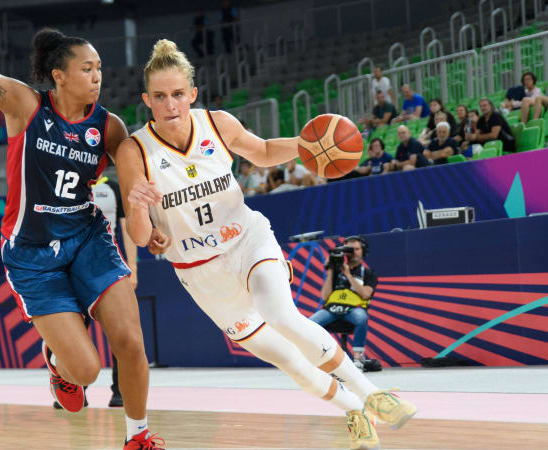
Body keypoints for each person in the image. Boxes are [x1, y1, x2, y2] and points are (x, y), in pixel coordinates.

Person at [116, 39, 416, 450]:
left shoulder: (217, 123)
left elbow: (262, 152)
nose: (171, 104)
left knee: (282, 314)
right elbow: (138, 236)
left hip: (247, 240)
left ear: (193, 94)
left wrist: (311, 144)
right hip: (200, 272)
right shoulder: (134, 150)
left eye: (179, 94)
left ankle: (373, 394)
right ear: (146, 100)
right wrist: (136, 208)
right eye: (161, 96)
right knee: (287, 359)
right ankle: (353, 410)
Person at [0, 2, 162, 449]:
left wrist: (151, 219)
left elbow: (137, 180)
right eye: (87, 68)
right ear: (60, 76)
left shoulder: (111, 127)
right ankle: (58, 363)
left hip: (87, 238)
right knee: (86, 372)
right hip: (31, 255)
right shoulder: (24, 106)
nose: (98, 76)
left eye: (99, 67)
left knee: (130, 342)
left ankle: (137, 436)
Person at [90, 175, 139, 408]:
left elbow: (127, 227)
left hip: (109, 265)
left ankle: (119, 391)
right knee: (74, 328)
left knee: (121, 330)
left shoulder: (113, 188)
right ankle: (72, 387)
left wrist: (133, 268)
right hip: (74, 267)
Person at [309, 237, 376, 369]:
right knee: (309, 324)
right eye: (350, 250)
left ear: (363, 251)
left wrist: (348, 274)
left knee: (362, 318)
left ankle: (357, 358)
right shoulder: (335, 272)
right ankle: (317, 358)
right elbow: (325, 296)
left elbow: (366, 294)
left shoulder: (368, 273)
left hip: (353, 309)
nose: (353, 253)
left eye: (356, 249)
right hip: (332, 309)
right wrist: (330, 272)